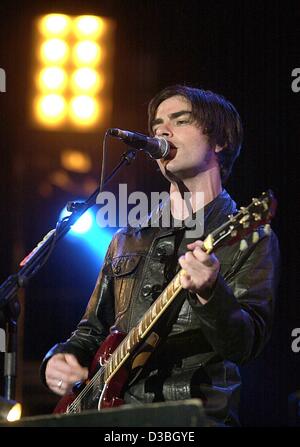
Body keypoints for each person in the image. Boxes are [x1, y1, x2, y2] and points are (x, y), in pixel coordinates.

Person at [40, 85, 280, 426]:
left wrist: (211, 294)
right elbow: (91, 331)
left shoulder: (251, 236)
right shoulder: (126, 240)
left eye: (179, 121)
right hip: (113, 418)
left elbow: (246, 345)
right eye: (156, 126)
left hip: (191, 417)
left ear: (220, 140)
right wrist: (59, 358)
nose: (161, 132)